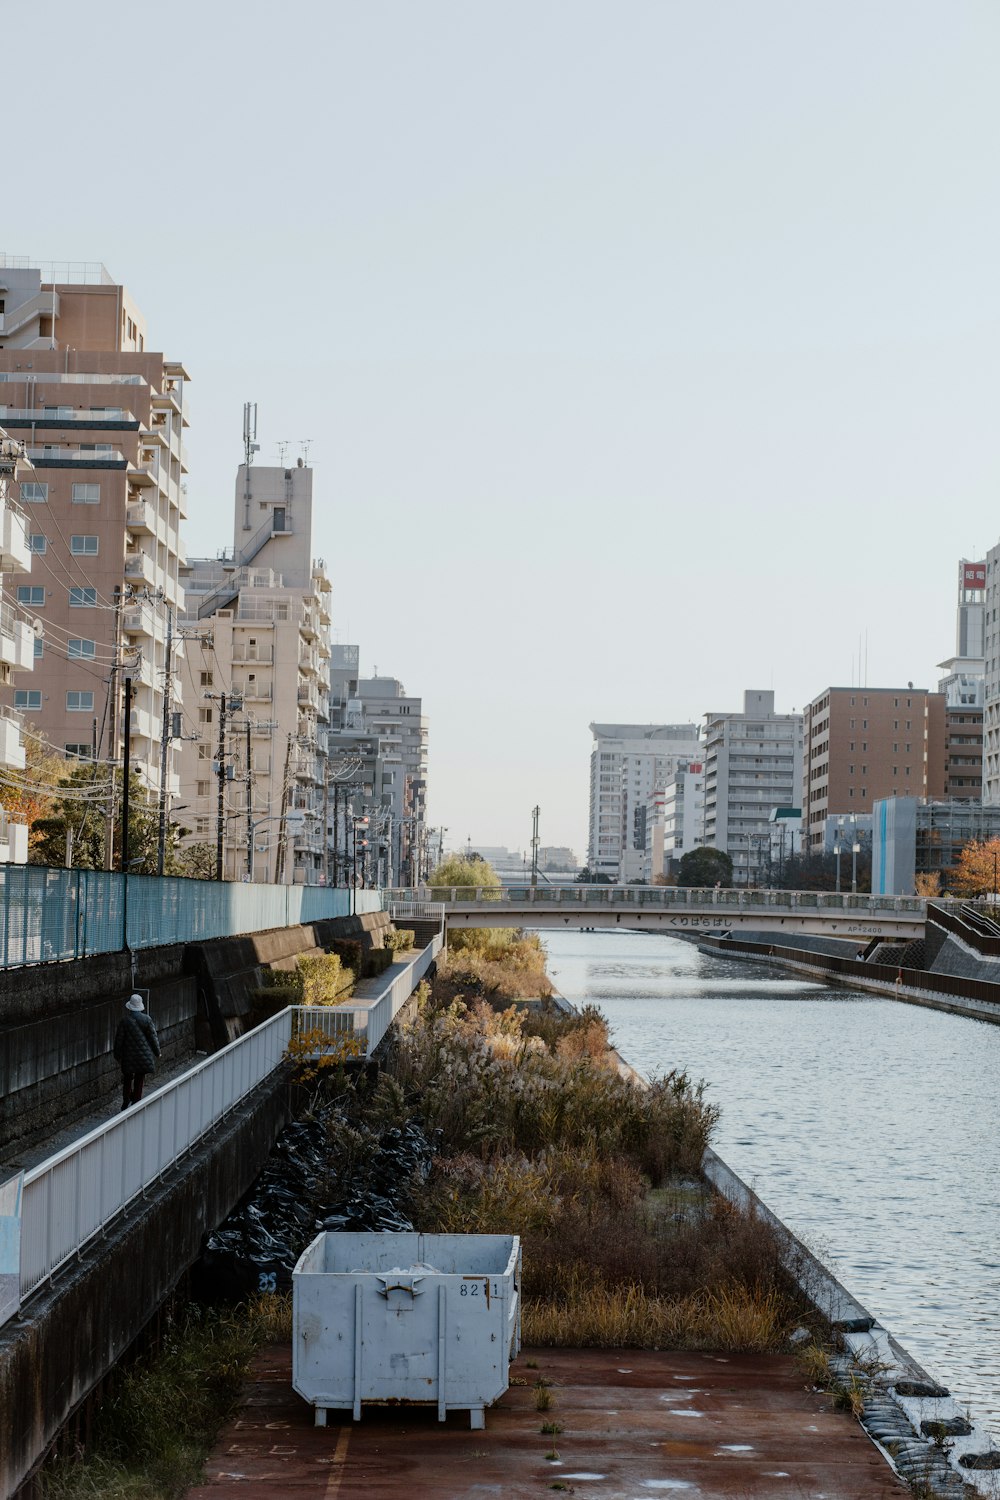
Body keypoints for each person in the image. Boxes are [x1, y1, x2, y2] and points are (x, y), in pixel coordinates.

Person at [113, 994, 160, 1111]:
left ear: (130, 1007)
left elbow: (119, 1040)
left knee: (128, 1077)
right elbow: (153, 1038)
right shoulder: (147, 1019)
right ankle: (136, 1101)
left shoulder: (124, 1021)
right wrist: (157, 1052)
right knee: (140, 1077)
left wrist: (117, 1055)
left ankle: (126, 1100)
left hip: (128, 1056)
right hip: (143, 1056)